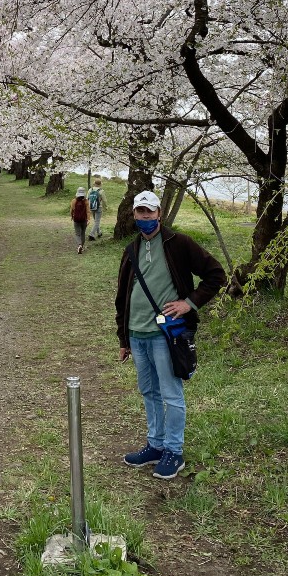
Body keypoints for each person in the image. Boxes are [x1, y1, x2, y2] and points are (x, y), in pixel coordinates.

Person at [115, 190, 225, 479]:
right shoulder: (131, 250)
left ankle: (174, 452)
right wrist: (123, 339)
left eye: (150, 212)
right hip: (137, 334)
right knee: (149, 391)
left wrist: (188, 303)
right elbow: (121, 297)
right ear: (134, 215)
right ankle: (155, 445)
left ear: (159, 214)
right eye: (141, 212)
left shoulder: (179, 244)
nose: (145, 217)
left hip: (165, 334)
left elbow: (216, 274)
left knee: (171, 394)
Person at [70, 187, 89, 254]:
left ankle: (79, 245)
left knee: (77, 234)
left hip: (76, 220)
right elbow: (88, 211)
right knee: (83, 233)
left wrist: (72, 216)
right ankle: (82, 247)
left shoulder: (73, 201)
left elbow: (72, 210)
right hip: (84, 220)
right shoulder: (86, 201)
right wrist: (88, 219)